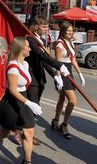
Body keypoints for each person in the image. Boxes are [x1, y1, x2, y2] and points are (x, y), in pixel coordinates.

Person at [0, 37, 42, 164]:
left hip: (24, 99)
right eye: (28, 46)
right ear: (21, 49)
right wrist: (29, 103)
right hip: (12, 101)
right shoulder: (12, 66)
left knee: (29, 132)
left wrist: (57, 74)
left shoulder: (25, 64)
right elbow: (13, 90)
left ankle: (27, 161)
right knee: (5, 131)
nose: (30, 48)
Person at [25, 16, 70, 145]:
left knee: (33, 107)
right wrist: (59, 66)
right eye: (44, 26)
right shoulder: (30, 40)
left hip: (40, 79)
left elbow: (43, 61)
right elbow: (41, 55)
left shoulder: (41, 40)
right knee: (32, 108)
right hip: (31, 78)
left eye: (47, 26)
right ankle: (24, 134)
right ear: (36, 27)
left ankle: (21, 130)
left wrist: (55, 75)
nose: (46, 29)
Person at [51, 22, 86, 139]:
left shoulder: (71, 42)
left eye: (72, 31)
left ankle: (55, 120)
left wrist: (80, 74)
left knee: (62, 98)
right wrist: (58, 78)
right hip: (61, 72)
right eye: (68, 31)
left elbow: (73, 59)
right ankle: (64, 125)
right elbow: (57, 63)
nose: (70, 33)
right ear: (62, 32)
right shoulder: (59, 44)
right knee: (73, 101)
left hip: (69, 70)